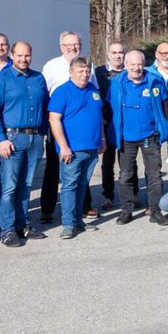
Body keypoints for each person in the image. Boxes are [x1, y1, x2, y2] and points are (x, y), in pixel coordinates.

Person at [0, 41, 50, 246]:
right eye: (20, 55)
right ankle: (7, 229)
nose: (24, 59)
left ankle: (22, 224)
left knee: (26, 184)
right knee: (9, 186)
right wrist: (1, 139)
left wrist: (41, 133)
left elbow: (46, 106)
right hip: (12, 138)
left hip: (35, 138)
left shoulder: (38, 78)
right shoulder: (1, 80)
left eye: (27, 55)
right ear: (12, 55)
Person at [111, 50, 168, 226]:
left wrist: (162, 128)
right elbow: (111, 108)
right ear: (125, 65)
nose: (136, 68)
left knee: (154, 175)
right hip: (126, 137)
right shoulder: (117, 83)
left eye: (139, 64)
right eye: (132, 64)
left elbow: (164, 104)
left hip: (149, 135)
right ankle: (126, 210)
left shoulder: (154, 80)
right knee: (125, 175)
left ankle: (155, 210)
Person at [48, 58, 106, 239]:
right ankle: (68, 224)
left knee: (82, 184)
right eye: (80, 71)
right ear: (71, 72)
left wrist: (102, 138)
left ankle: (78, 221)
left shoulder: (93, 90)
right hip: (72, 149)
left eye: (87, 71)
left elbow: (99, 116)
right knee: (69, 186)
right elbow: (54, 119)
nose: (84, 74)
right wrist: (63, 146)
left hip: (92, 148)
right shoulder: (62, 92)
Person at [39, 31, 82, 224]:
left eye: (75, 44)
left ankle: (84, 205)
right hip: (57, 122)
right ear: (61, 46)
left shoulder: (85, 64)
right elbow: (43, 94)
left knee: (81, 163)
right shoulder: (51, 66)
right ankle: (47, 209)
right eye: (68, 45)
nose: (72, 47)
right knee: (53, 166)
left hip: (79, 124)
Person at [95, 41, 128, 210]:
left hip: (127, 123)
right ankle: (107, 195)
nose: (117, 56)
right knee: (107, 162)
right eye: (114, 52)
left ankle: (131, 194)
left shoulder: (131, 71)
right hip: (106, 123)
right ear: (108, 54)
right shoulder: (99, 73)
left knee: (128, 162)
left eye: (120, 52)